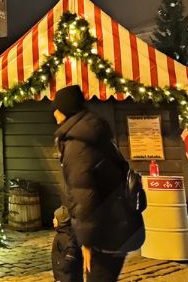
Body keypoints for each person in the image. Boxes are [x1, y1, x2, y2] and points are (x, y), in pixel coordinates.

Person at [53, 85, 144, 281]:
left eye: (56, 108)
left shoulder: (77, 145)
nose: (54, 113)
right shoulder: (95, 132)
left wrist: (87, 242)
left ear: (64, 110)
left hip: (104, 231)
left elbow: (84, 195)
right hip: (119, 223)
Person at [51, 205, 82, 282]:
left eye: (55, 218)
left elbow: (71, 252)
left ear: (61, 220)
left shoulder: (64, 236)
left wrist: (64, 270)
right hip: (65, 275)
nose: (53, 220)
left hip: (66, 277)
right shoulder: (64, 234)